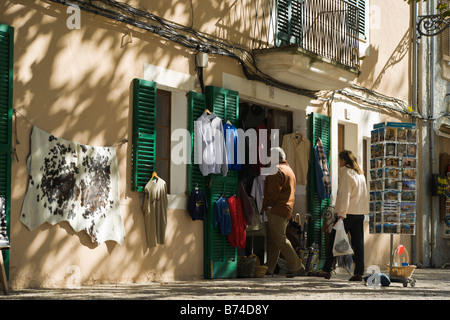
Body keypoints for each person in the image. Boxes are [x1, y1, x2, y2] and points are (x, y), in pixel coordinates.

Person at [316, 150, 369, 281]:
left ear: (344, 160)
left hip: (347, 214)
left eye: (340, 159)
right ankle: (359, 272)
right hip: (359, 212)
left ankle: (326, 270)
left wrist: (341, 214)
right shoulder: (360, 173)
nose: (339, 162)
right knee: (358, 243)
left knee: (334, 240)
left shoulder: (346, 173)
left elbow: (345, 195)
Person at [261, 147, 306, 278]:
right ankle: (269, 268)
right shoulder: (289, 170)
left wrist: (267, 206)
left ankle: (297, 266)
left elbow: (272, 193)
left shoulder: (276, 170)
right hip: (286, 209)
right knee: (275, 239)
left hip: (277, 209)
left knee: (280, 239)